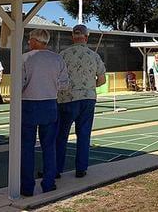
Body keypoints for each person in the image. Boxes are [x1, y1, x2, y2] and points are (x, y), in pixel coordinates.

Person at [20, 29, 68, 197]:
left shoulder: (25, 58)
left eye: (29, 39)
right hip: (50, 104)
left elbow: (20, 84)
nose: (28, 42)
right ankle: (48, 183)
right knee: (49, 146)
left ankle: (27, 187)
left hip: (28, 105)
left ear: (34, 40)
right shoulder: (57, 59)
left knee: (27, 147)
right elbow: (64, 84)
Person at [56, 24, 106, 179]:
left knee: (61, 135)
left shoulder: (63, 55)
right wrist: (91, 85)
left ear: (73, 36)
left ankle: (56, 169)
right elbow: (102, 80)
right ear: (86, 37)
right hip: (88, 99)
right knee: (84, 135)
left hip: (66, 99)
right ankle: (81, 169)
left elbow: (56, 77)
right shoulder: (94, 56)